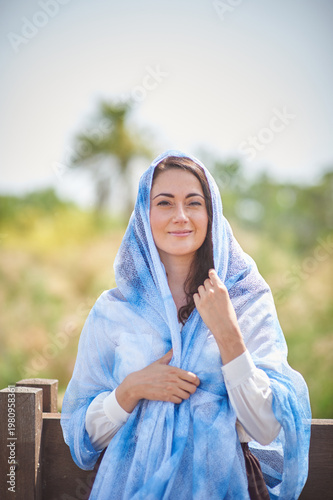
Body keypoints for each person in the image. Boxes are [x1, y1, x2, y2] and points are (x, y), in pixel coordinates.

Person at [61, 150, 311, 499]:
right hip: (130, 484)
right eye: (164, 203)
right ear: (143, 217)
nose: (180, 216)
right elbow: (84, 439)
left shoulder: (244, 301)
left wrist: (227, 333)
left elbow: (267, 427)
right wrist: (131, 389)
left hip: (227, 485)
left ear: (211, 215)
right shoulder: (114, 311)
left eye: (194, 203)